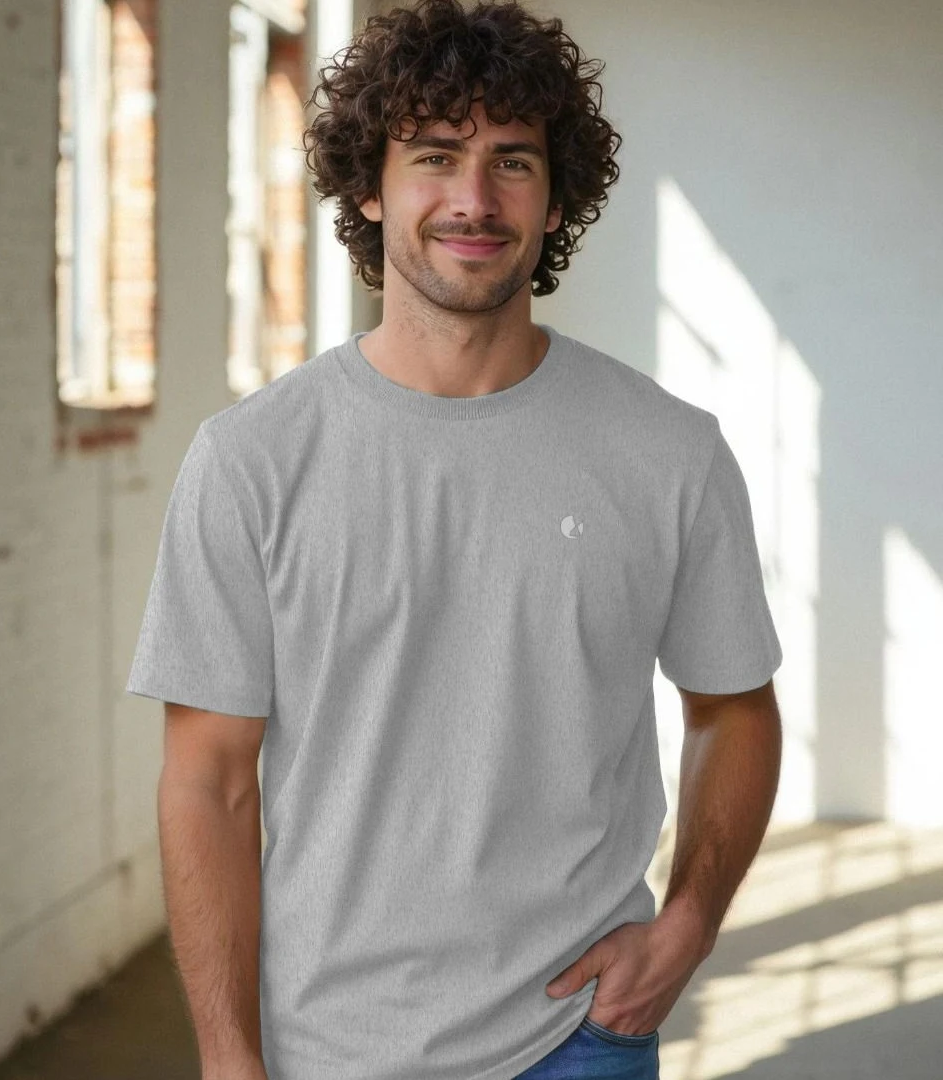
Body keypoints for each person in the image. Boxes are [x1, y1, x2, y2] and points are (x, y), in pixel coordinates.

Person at [125, 1, 783, 1078]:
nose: (474, 199)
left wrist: (691, 922)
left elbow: (735, 710)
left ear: (556, 197)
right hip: (321, 1046)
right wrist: (228, 1057)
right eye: (435, 155)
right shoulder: (251, 461)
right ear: (369, 187)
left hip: (577, 1037)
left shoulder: (669, 452)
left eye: (512, 161)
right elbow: (209, 781)